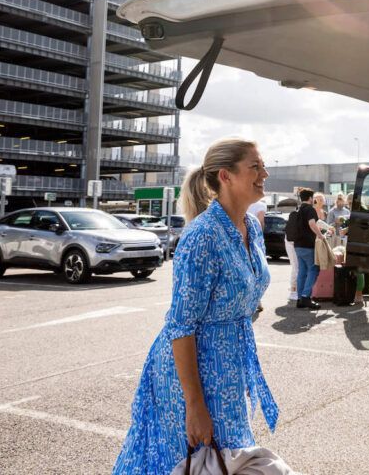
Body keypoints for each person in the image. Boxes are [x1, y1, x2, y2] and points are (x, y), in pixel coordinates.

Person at [113, 138, 278, 474]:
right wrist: (195, 404)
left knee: (224, 460)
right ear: (226, 176)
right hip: (193, 374)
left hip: (230, 366)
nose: (265, 172)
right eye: (255, 166)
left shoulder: (253, 229)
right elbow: (181, 326)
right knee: (193, 461)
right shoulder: (201, 236)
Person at [294, 188, 326, 309]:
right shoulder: (310, 209)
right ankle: (306, 297)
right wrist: (321, 236)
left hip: (297, 245)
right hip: (308, 245)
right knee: (314, 269)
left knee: (302, 271)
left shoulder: (298, 209)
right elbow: (312, 224)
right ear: (310, 198)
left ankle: (299, 299)